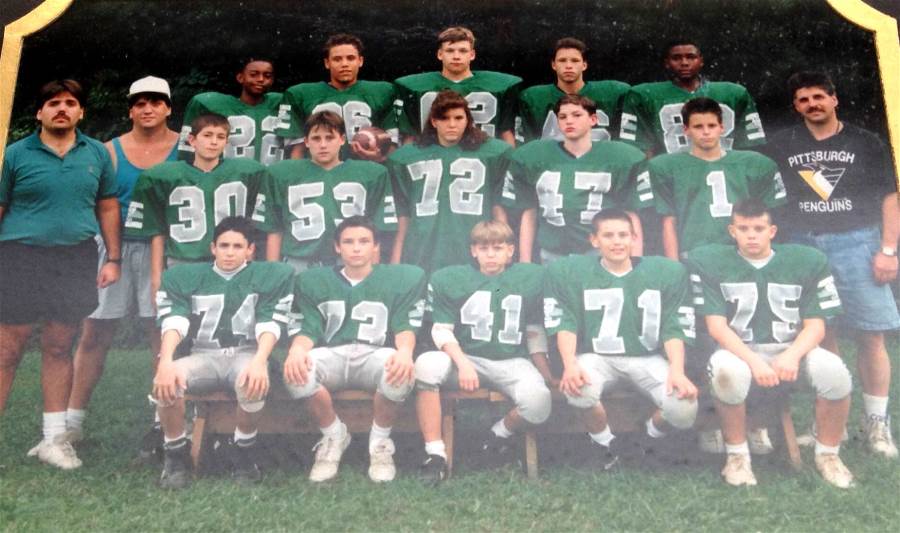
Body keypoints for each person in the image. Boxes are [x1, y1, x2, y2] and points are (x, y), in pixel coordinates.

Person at [763, 71, 899, 458]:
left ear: (834, 99)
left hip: (857, 242)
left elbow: (890, 197)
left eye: (819, 97)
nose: (812, 105)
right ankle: (828, 421)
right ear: (796, 106)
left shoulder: (865, 141)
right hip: (804, 245)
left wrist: (889, 250)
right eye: (804, 100)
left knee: (871, 334)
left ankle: (876, 423)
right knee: (821, 335)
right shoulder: (782, 145)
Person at [686, 200, 854, 488]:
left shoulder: (806, 260)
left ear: (772, 231)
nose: (751, 235)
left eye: (759, 228)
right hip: (738, 351)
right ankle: (737, 456)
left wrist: (792, 356)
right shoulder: (711, 262)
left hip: (791, 349)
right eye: (743, 229)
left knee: (835, 372)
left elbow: (816, 326)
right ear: (732, 231)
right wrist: (754, 361)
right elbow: (716, 327)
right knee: (727, 373)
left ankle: (828, 455)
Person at [0, 79, 120, 469]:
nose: (62, 108)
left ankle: (54, 440)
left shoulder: (97, 153)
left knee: (58, 346)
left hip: (75, 257)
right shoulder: (14, 154)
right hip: (20, 256)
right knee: (6, 352)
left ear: (81, 111)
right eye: (53, 103)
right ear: (39, 112)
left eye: (70, 103)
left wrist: (114, 257)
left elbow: (107, 206)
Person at [66, 76, 180, 445]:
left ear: (168, 108)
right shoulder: (109, 150)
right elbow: (93, 201)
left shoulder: (186, 147)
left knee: (161, 335)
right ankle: (71, 423)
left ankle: (163, 422)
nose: (147, 109)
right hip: (114, 246)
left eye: (156, 102)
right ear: (130, 110)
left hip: (164, 248)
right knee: (94, 333)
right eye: (139, 103)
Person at [546, 209, 698, 466]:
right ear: (594, 240)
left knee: (684, 408)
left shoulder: (664, 272)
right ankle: (606, 444)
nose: (617, 242)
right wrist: (570, 364)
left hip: (646, 358)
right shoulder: (572, 271)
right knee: (578, 388)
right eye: (608, 236)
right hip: (597, 358)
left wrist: (677, 370)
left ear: (634, 238)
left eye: (623, 235)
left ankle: (648, 437)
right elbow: (566, 322)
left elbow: (674, 327)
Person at [152, 216, 294, 489]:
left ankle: (243, 453)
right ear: (213, 248)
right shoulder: (183, 277)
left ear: (250, 250)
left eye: (238, 246)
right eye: (224, 246)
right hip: (202, 355)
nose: (230, 253)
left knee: (250, 381)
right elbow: (175, 321)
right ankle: (175, 455)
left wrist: (260, 361)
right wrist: (166, 361)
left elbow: (270, 322)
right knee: (169, 380)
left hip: (245, 354)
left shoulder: (271, 275)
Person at [283, 216, 426, 483]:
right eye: (348, 242)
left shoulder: (399, 278)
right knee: (297, 373)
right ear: (337, 247)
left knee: (400, 370)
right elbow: (309, 328)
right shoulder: (314, 281)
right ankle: (334, 435)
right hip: (333, 353)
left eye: (364, 241)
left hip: (374, 354)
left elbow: (404, 325)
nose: (356, 248)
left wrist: (405, 352)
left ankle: (379, 443)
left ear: (376, 246)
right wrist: (296, 351)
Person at [415, 221, 552, 484]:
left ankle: (496, 435)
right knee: (426, 364)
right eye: (483, 248)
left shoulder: (529, 278)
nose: (490, 254)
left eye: (497, 248)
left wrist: (545, 371)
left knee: (539, 403)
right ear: (473, 251)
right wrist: (463, 364)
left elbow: (534, 330)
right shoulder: (450, 278)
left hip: (511, 360)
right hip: (467, 358)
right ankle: (435, 454)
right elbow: (441, 330)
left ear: (510, 251)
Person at [126, 113, 267, 301]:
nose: (213, 142)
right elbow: (157, 233)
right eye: (207, 135)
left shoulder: (248, 172)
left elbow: (254, 224)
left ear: (226, 142)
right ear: (192, 140)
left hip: (233, 262)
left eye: (220, 137)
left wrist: (249, 260)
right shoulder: (164, 176)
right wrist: (156, 278)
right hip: (183, 261)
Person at [504, 94, 649, 264]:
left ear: (593, 119)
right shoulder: (535, 156)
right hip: (552, 253)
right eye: (563, 117)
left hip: (602, 253)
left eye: (577, 115)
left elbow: (630, 214)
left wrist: (635, 261)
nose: (569, 121)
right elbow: (529, 212)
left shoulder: (620, 157)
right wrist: (525, 261)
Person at [388, 90, 511, 274]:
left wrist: (505, 252)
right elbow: (403, 216)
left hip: (474, 241)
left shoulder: (494, 153)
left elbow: (498, 208)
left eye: (458, 118)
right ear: (434, 121)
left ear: (468, 120)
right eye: (444, 118)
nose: (452, 124)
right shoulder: (406, 157)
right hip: (425, 244)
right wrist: (396, 262)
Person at [649, 97, 786, 259]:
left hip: (743, 256)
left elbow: (769, 218)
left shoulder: (754, 163)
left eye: (712, 125)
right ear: (686, 130)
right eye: (698, 126)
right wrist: (674, 266)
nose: (706, 132)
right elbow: (669, 221)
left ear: (722, 127)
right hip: (693, 255)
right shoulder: (667, 167)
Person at [261, 111, 392, 271]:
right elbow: (274, 229)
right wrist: (274, 272)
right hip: (300, 262)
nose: (323, 145)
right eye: (316, 138)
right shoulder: (282, 173)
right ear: (306, 141)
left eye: (329, 138)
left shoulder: (371, 174)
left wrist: (372, 273)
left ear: (342, 139)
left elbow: (375, 230)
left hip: (349, 264)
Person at [619, 39, 765, 156]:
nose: (684, 63)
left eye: (691, 57)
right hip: (671, 173)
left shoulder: (734, 93)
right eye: (676, 58)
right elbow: (641, 149)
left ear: (701, 61)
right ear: (667, 63)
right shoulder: (644, 95)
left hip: (725, 172)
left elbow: (751, 146)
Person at [277, 34, 399, 160]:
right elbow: (297, 150)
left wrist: (379, 158)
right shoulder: (300, 94)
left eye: (350, 58)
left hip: (366, 168)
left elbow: (392, 142)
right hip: (319, 169)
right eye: (337, 59)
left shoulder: (383, 91)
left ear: (360, 61)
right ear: (327, 63)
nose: (344, 64)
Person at [394, 26, 521, 146]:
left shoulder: (500, 86)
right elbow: (410, 137)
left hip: (485, 154)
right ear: (440, 54)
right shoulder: (414, 87)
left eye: (463, 51)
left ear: (472, 54)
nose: (456, 56)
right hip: (431, 155)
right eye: (450, 50)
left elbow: (506, 132)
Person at [517, 37, 630, 143]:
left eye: (575, 61)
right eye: (562, 60)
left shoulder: (615, 92)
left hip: (600, 156)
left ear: (584, 65)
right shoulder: (532, 98)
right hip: (551, 157)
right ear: (554, 65)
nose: (568, 66)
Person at [177, 57, 284, 165]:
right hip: (227, 174)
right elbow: (187, 147)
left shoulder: (281, 102)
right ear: (240, 77)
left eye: (267, 76)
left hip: (272, 173)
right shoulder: (211, 103)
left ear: (272, 80)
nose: (261, 79)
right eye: (253, 74)